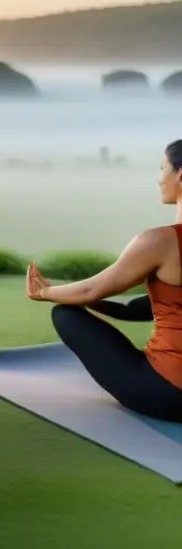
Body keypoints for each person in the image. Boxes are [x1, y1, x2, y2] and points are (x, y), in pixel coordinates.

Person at [26, 139, 182, 422]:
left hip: (169, 394)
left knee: (65, 315)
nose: (159, 179)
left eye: (163, 168)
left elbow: (92, 288)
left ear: (180, 174)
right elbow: (143, 306)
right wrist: (104, 305)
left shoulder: (161, 241)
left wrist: (46, 292)